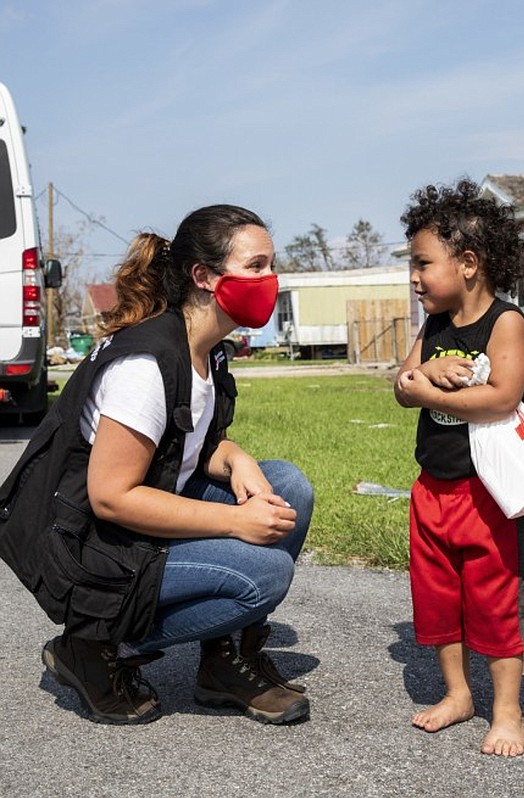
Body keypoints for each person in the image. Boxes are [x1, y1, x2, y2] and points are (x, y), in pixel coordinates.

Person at [2, 205, 313, 726]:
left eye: (270, 265)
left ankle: (223, 662)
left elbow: (185, 446)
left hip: (134, 531)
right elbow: (111, 495)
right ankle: (91, 644)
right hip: (92, 550)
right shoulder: (146, 364)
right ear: (205, 277)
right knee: (264, 573)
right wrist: (236, 521)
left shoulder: (206, 348)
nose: (270, 278)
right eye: (256, 265)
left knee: (288, 487)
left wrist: (236, 457)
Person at [394, 179, 524, 757]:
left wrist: (427, 390)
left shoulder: (504, 322)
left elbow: (500, 397)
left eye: (422, 263)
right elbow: (403, 383)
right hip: (433, 490)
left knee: (495, 602)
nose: (414, 277)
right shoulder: (435, 325)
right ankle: (459, 694)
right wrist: (422, 378)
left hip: (489, 494)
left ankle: (507, 710)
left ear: (468, 263)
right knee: (438, 597)